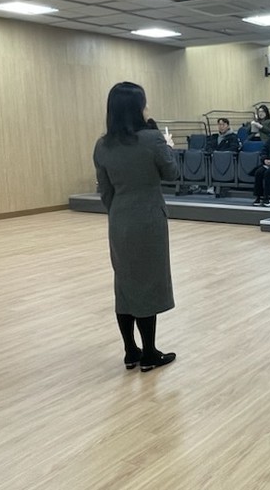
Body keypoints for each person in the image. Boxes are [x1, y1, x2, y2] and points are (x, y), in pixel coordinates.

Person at [92, 82, 178, 373]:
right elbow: (171, 173)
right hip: (149, 219)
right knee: (148, 284)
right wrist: (167, 147)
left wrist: (119, 211)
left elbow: (105, 190)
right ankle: (150, 352)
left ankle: (130, 351)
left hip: (119, 218)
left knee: (125, 284)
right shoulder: (152, 139)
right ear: (136, 108)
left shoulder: (102, 145)